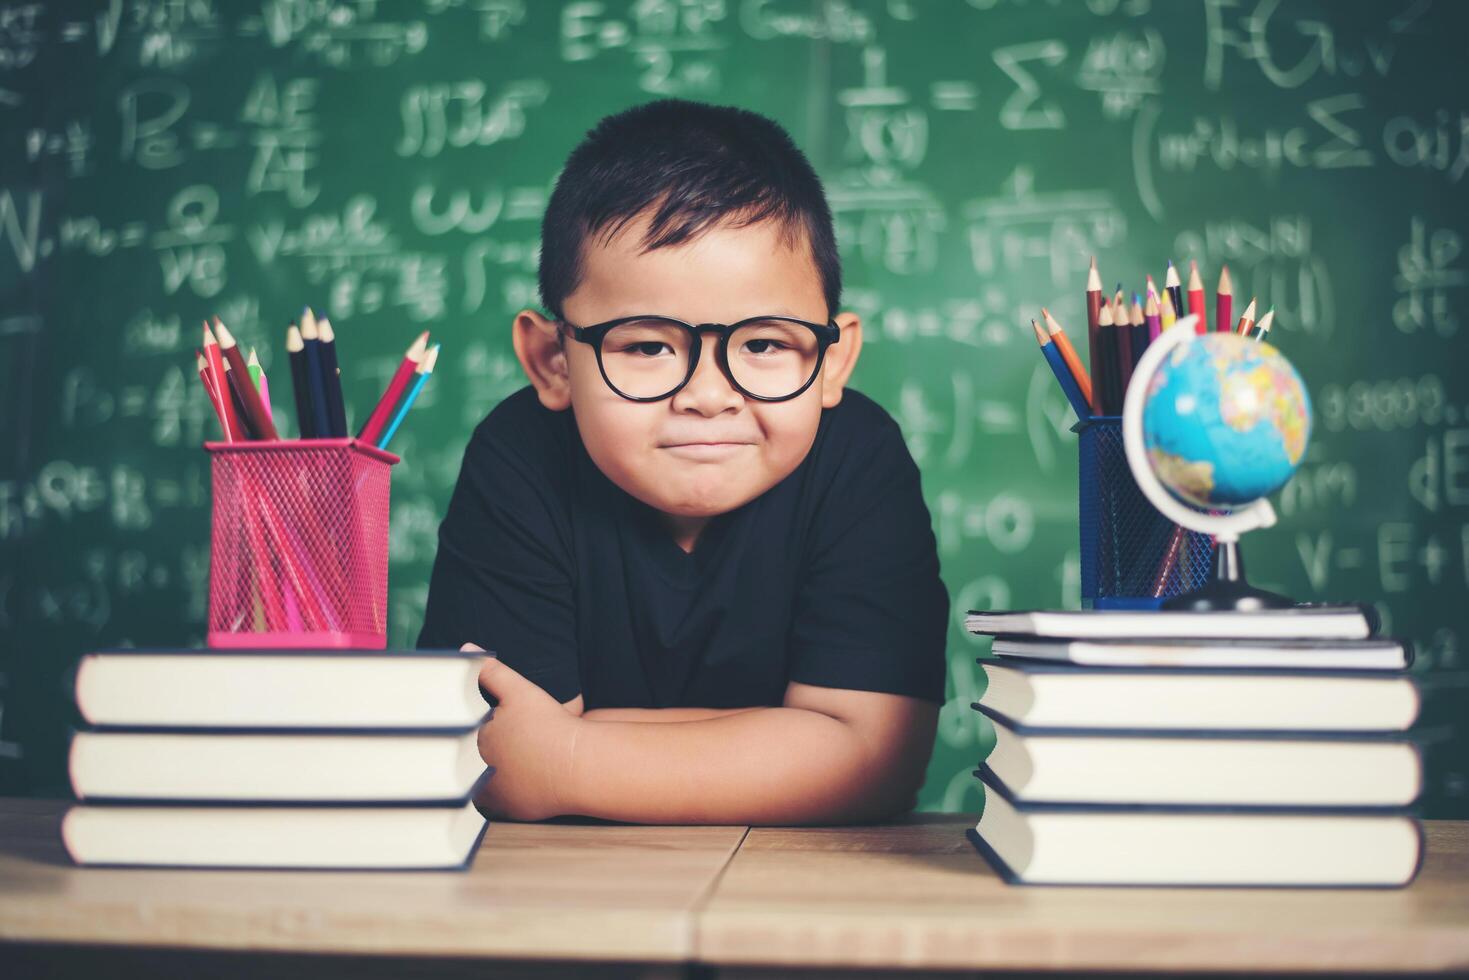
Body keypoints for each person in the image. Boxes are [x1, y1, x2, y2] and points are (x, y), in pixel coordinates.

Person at [418, 99, 949, 824]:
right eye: (645, 345)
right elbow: (499, 753)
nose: (706, 395)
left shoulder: (858, 459)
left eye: (763, 344)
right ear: (551, 361)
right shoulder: (520, 458)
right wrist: (793, 747)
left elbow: (874, 762)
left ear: (833, 359)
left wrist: (570, 757)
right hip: (560, 899)